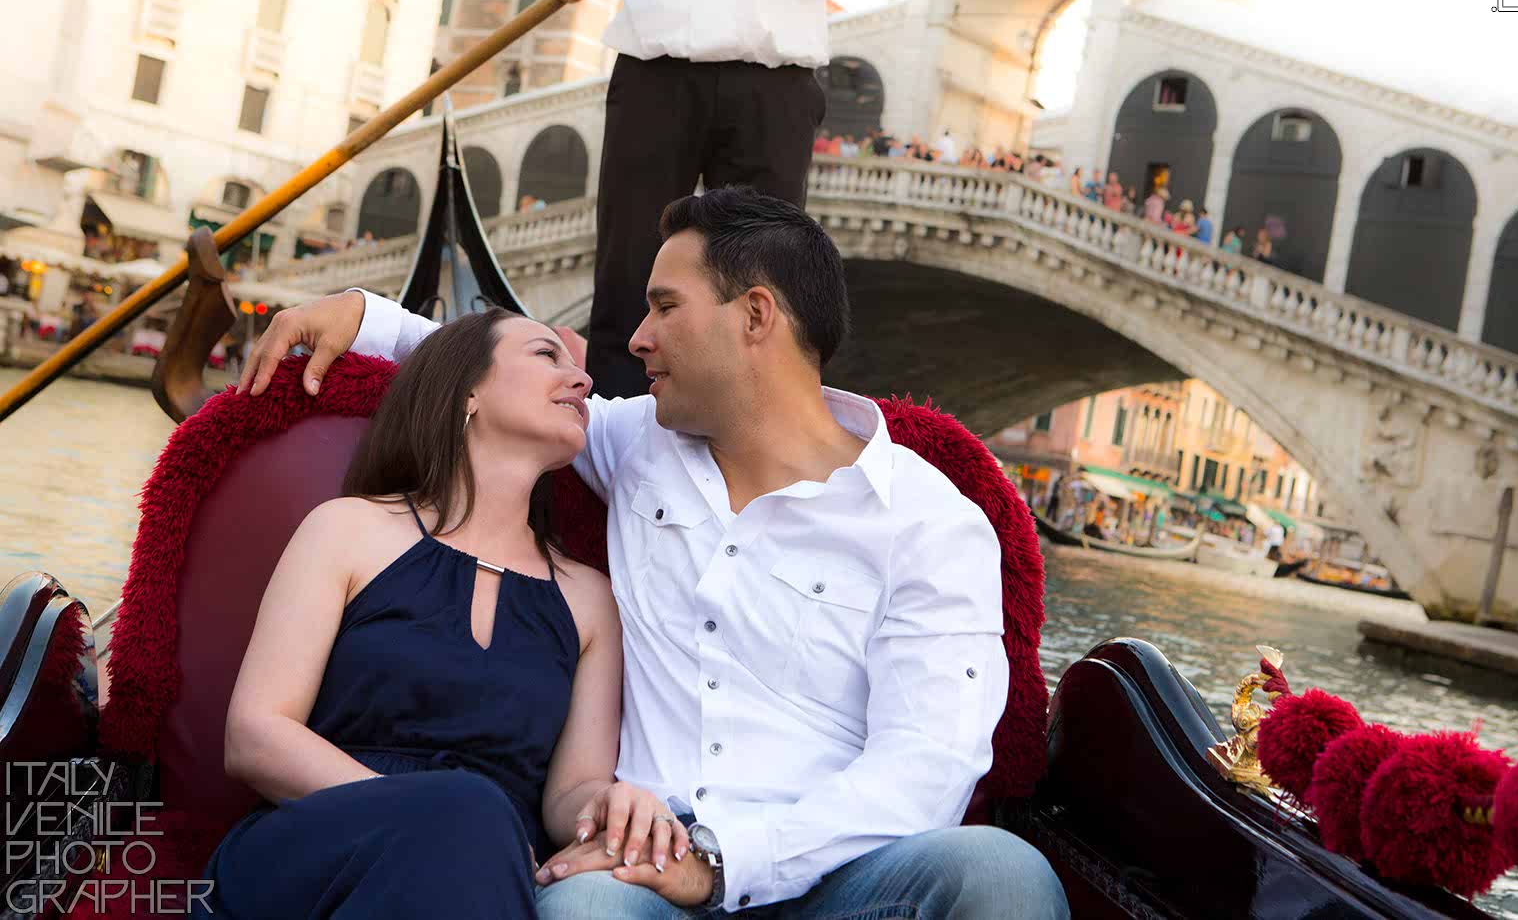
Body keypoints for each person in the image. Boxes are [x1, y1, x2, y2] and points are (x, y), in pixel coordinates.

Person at [238, 188, 1068, 919]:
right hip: (633, 878)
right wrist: (362, 313)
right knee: (586, 909)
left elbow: (927, 765)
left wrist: (716, 859)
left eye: (665, 307)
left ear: (754, 316)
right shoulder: (637, 443)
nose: (633, 340)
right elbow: (491, 384)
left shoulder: (932, 521)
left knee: (999, 873)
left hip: (841, 882)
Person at [196, 310, 643, 919]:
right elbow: (255, 735)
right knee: (466, 812)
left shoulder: (591, 599)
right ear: (469, 393)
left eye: (577, 369)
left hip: (486, 874)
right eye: (547, 356)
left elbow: (572, 791)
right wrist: (431, 815)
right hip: (318, 848)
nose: (582, 382)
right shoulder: (347, 529)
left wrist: (614, 807)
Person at [547, 0, 876, 400]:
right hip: (652, 78)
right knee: (628, 272)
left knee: (761, 280)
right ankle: (614, 441)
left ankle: (751, 435)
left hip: (771, 86)